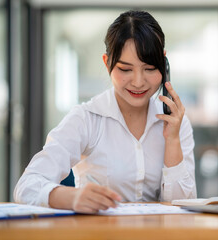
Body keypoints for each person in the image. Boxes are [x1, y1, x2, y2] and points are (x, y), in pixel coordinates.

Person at [14, 10, 197, 213]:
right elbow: (26, 186)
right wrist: (71, 197)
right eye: (125, 69)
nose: (138, 82)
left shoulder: (176, 122)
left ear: (164, 64)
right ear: (107, 63)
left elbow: (184, 208)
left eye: (150, 68)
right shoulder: (86, 119)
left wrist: (172, 140)